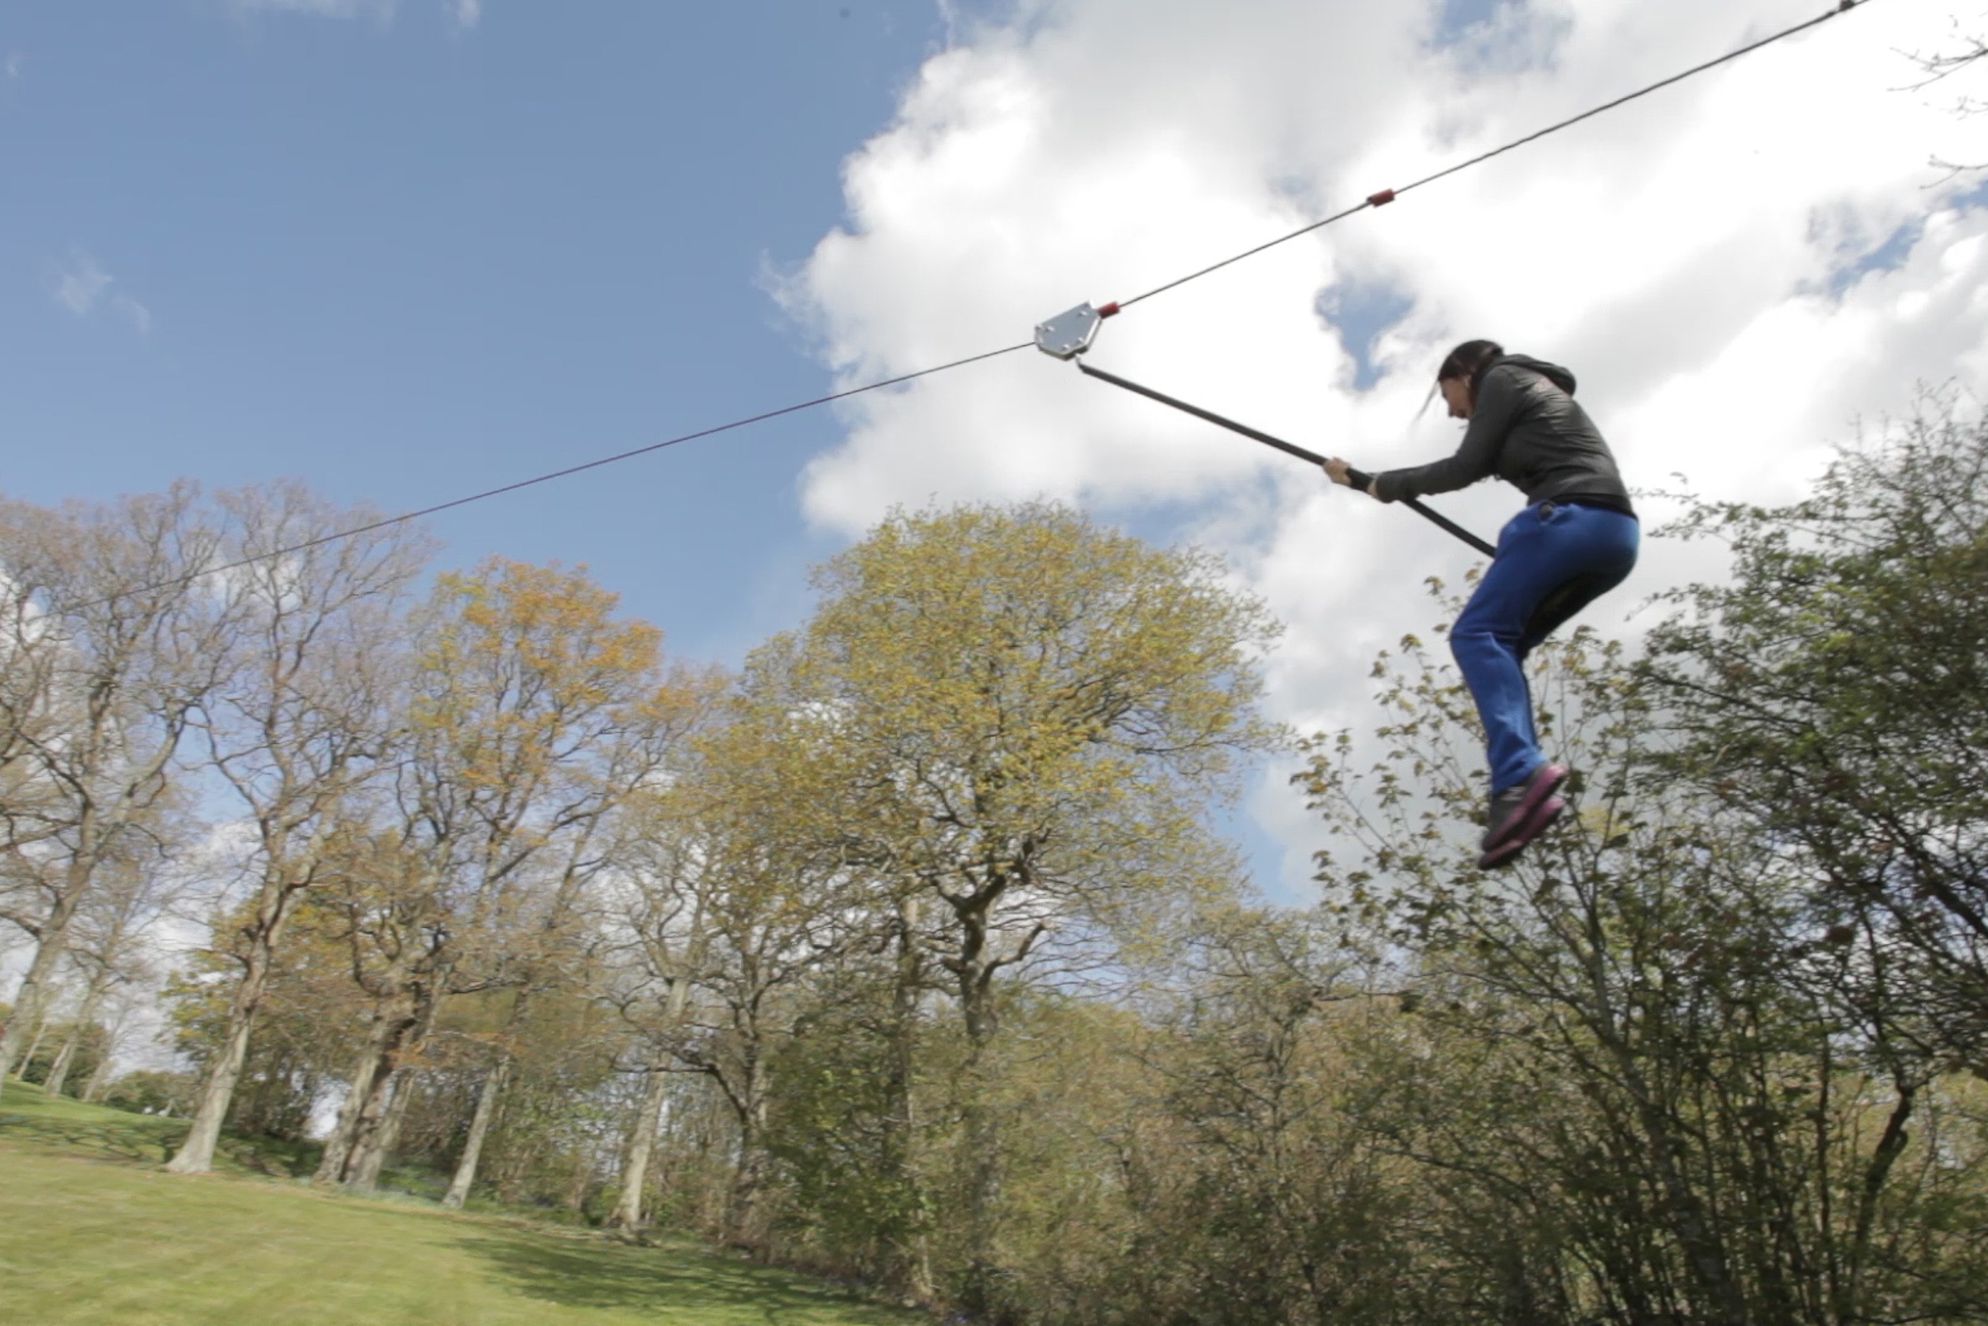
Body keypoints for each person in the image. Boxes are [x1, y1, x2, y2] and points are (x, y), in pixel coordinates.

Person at [1324, 340, 1638, 869]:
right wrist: (1362, 482)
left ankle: (1520, 775)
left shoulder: (1501, 378)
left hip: (1570, 517)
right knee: (1503, 643)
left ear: (1463, 372)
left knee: (1476, 634)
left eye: (1448, 395)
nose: (1452, 410)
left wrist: (1377, 485)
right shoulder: (1535, 391)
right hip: (1613, 535)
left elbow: (1462, 467)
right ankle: (1521, 778)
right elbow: (1470, 464)